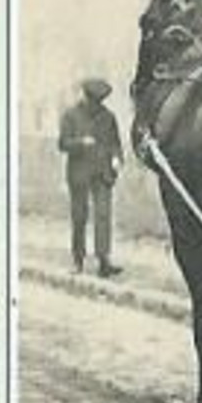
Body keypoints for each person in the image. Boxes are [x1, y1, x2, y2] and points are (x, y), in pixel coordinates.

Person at [56, 77, 124, 277]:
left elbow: (115, 143)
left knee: (103, 217)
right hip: (79, 175)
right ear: (86, 97)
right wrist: (80, 143)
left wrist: (117, 159)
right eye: (94, 100)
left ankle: (104, 262)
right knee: (79, 218)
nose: (97, 105)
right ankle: (78, 260)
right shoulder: (70, 115)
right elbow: (62, 144)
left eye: (100, 101)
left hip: (103, 174)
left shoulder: (108, 117)